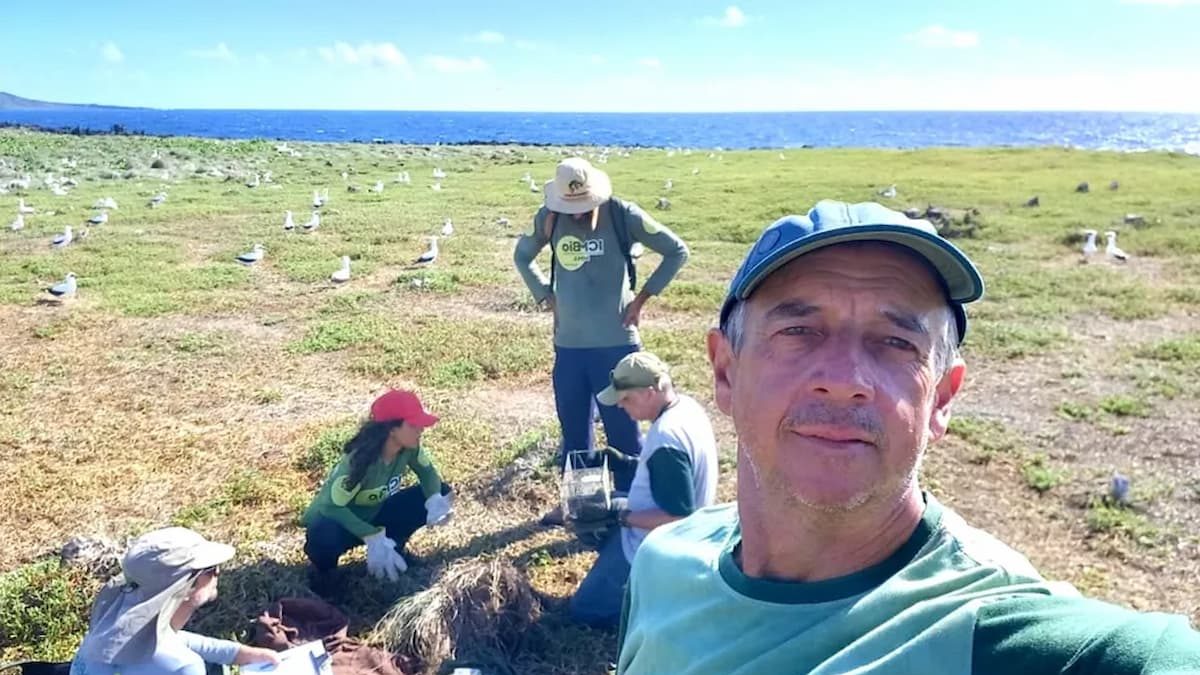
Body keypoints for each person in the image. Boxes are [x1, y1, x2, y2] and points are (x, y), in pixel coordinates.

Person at [616, 200, 1200, 673]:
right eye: (799, 330)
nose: (844, 382)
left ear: (942, 398)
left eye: (896, 342)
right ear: (725, 372)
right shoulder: (663, 564)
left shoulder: (995, 634)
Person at [513, 157, 690, 504]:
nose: (576, 214)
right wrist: (545, 296)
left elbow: (676, 251)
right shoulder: (549, 218)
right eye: (569, 206)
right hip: (569, 348)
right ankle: (585, 509)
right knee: (575, 438)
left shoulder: (623, 215)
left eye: (583, 206)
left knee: (624, 434)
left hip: (617, 348)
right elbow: (522, 256)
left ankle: (633, 506)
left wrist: (641, 300)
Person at [565, 351, 719, 630]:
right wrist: (627, 464)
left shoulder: (666, 437)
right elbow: (669, 473)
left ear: (649, 393)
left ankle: (650, 611)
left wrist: (620, 516)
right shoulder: (686, 409)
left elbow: (678, 518)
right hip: (665, 526)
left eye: (627, 399)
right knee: (604, 501)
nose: (622, 407)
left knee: (584, 611)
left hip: (654, 546)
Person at [70, 527, 280, 675]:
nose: (217, 573)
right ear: (188, 586)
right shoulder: (183, 666)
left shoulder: (109, 627)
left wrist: (244, 654)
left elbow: (172, 637)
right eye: (211, 569)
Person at [302, 389, 453, 593]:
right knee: (322, 532)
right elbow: (331, 507)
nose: (421, 429)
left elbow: (427, 473)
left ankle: (394, 547)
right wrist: (370, 535)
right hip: (341, 524)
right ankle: (325, 574)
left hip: (375, 513)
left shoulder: (409, 448)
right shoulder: (360, 462)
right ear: (392, 429)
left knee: (438, 492)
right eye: (413, 424)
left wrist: (434, 498)